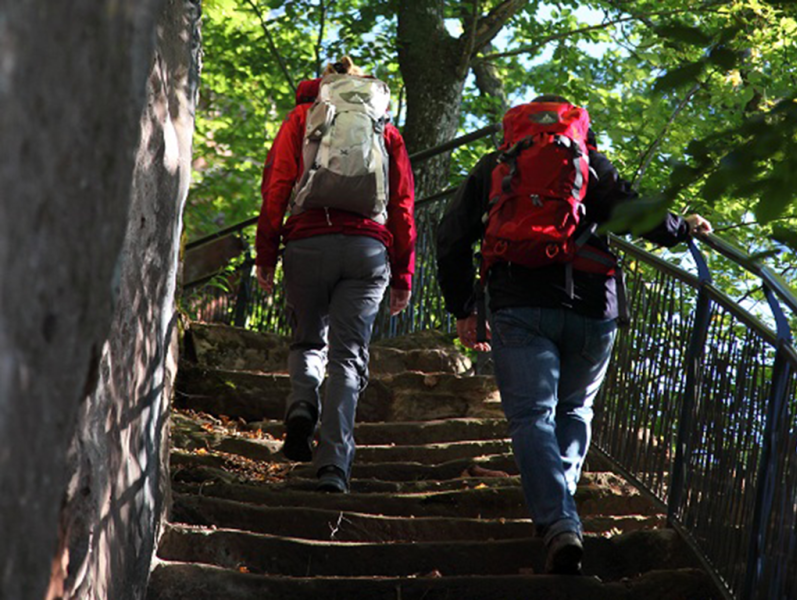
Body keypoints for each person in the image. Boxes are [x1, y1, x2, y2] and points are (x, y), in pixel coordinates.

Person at [436, 94, 711, 574]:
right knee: (575, 410)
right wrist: (681, 228)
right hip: (591, 307)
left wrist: (464, 307)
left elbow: (452, 237)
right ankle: (563, 516)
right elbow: (633, 212)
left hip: (518, 305)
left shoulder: (494, 167)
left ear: (514, 131)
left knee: (531, 417)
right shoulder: (590, 163)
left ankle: (559, 521)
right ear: (578, 128)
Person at [255, 56, 416, 493]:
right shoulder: (385, 128)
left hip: (307, 243)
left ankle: (302, 406)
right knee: (347, 356)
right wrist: (403, 272)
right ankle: (333, 465)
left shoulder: (303, 117)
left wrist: (266, 252)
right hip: (367, 250)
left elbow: (277, 185)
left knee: (309, 338)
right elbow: (402, 205)